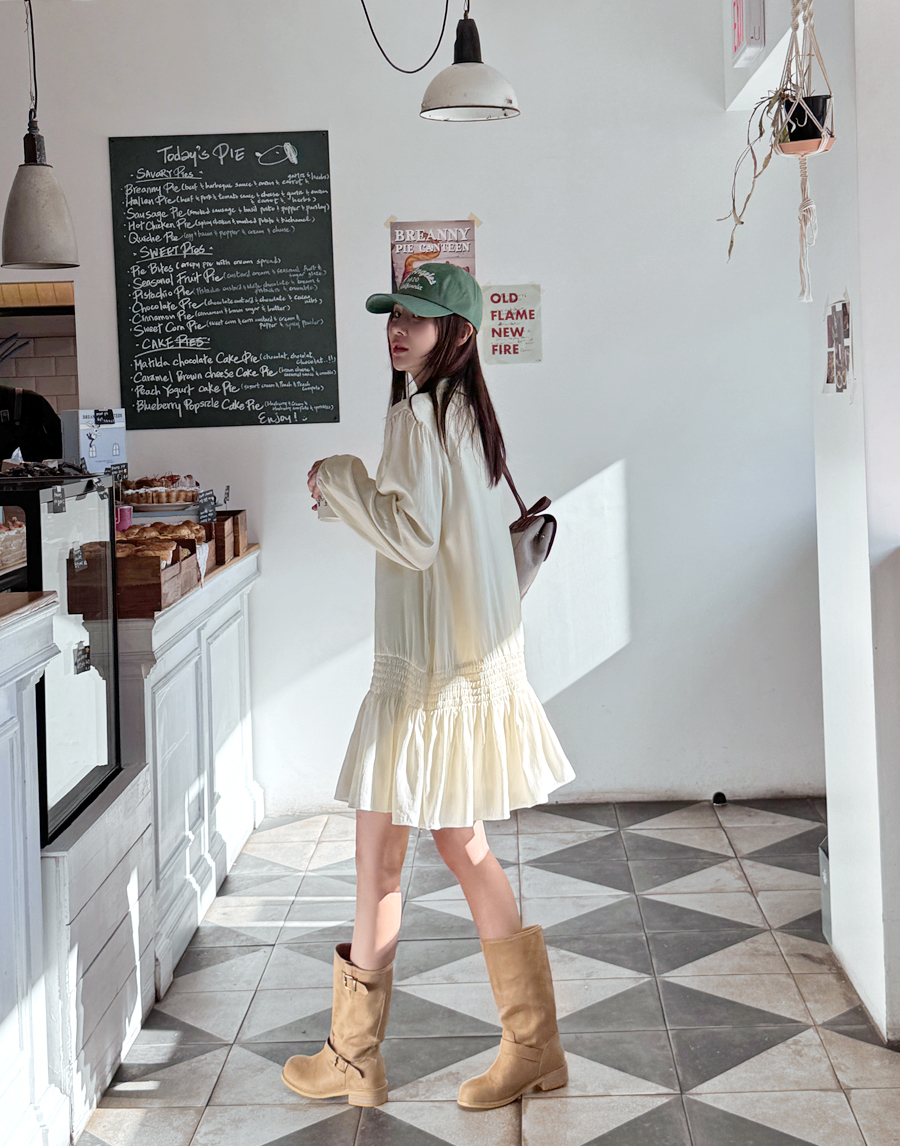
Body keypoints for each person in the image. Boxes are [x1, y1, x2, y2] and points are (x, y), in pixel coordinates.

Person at [281, 262, 575, 1110]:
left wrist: (340, 476)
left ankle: (366, 1057)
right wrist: (352, 496)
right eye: (393, 315)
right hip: (456, 669)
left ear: (460, 331)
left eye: (417, 316)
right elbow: (429, 528)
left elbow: (410, 540)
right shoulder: (466, 416)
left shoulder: (418, 417)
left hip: (421, 680)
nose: (398, 329)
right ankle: (521, 1046)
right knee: (443, 850)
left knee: (393, 859)